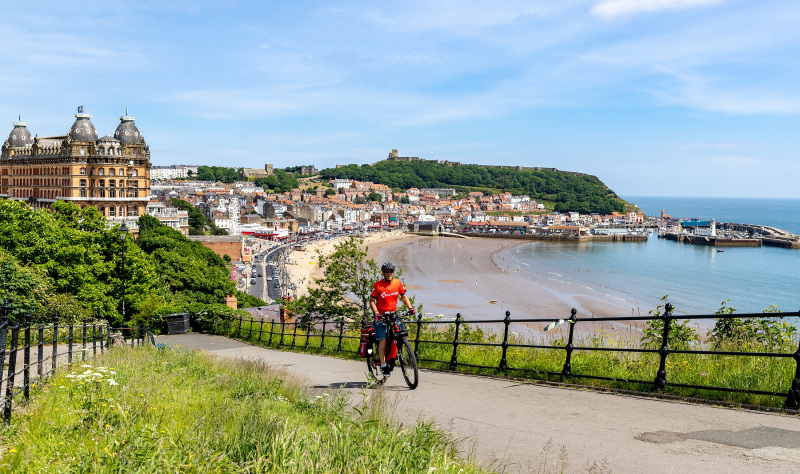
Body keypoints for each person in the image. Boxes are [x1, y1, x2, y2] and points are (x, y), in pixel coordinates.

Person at [369, 262, 414, 379]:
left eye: (391, 271)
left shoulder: (397, 283)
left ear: (393, 272)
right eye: (387, 272)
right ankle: (383, 364)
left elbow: (404, 296)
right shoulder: (378, 285)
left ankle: (401, 352)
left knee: (402, 335)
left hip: (394, 315)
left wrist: (410, 308)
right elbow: (372, 301)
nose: (389, 274)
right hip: (381, 317)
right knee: (383, 341)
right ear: (383, 273)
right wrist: (377, 314)